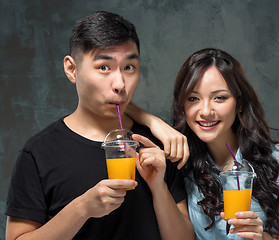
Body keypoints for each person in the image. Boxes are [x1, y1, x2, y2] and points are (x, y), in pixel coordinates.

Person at [5, 11, 194, 240]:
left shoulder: (155, 145)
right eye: (104, 67)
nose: (120, 84)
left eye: (129, 67)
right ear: (71, 69)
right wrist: (82, 208)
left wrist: (158, 188)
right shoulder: (38, 153)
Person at [130, 48, 279, 240]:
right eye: (193, 98)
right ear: (182, 106)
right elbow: (112, 102)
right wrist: (151, 121)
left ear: (240, 104)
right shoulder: (183, 166)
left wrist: (264, 238)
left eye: (219, 98)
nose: (206, 111)